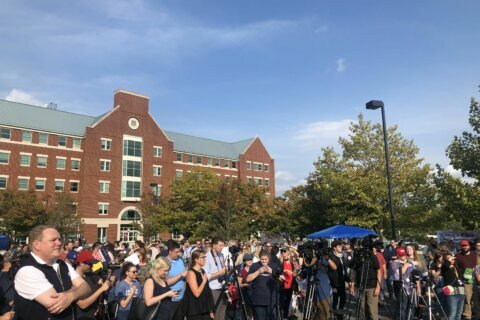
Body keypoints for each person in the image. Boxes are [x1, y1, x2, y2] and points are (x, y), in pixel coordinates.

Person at [14, 225, 90, 320]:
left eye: (59, 239)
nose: (59, 243)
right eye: (53, 240)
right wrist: (76, 289)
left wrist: (71, 295)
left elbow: (86, 288)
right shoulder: (27, 270)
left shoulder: (62, 264)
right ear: (36, 245)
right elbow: (56, 304)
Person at [246, 250, 283, 320]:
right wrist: (258, 271)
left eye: (266, 259)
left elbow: (282, 278)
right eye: (262, 259)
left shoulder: (274, 265)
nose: (264, 261)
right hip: (258, 299)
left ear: (269, 258)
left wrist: (271, 271)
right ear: (259, 258)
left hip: (272, 299)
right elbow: (248, 279)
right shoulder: (254, 266)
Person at [74, 250, 111, 320]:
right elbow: (82, 305)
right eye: (90, 264)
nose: (92, 266)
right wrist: (101, 289)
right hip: (81, 317)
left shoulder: (89, 274)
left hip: (93, 315)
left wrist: (109, 272)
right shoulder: (73, 280)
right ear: (81, 263)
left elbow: (104, 283)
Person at [349, 245, 381, 320]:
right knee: (361, 309)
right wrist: (352, 285)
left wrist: (378, 287)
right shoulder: (357, 257)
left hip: (372, 287)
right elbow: (354, 271)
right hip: (360, 287)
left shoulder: (372, 256)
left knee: (372, 311)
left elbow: (378, 271)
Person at [184, 250, 214, 320]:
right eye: (202, 257)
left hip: (205, 309)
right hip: (195, 310)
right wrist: (204, 281)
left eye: (205, 257)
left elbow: (207, 291)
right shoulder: (191, 273)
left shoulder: (203, 271)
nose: (205, 259)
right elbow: (196, 293)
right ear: (196, 260)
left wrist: (210, 310)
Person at [203, 238, 227, 320]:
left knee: (223, 311)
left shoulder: (221, 255)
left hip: (222, 287)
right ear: (213, 245)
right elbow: (206, 276)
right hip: (213, 289)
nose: (222, 247)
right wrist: (220, 273)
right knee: (216, 312)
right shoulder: (207, 257)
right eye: (220, 245)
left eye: (223, 245)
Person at [390, 246, 416, 320]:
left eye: (404, 254)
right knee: (402, 306)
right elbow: (397, 275)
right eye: (401, 255)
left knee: (411, 306)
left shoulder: (410, 262)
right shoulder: (395, 263)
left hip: (411, 287)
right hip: (400, 287)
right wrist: (405, 266)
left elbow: (415, 274)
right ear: (398, 255)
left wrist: (418, 287)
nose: (404, 256)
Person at [455, 239, 478, 320]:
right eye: (462, 246)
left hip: (477, 279)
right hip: (466, 280)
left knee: (476, 298)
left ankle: (476, 313)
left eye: (466, 245)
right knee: (467, 298)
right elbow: (455, 268)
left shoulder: (475, 254)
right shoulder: (458, 256)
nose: (464, 247)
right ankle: (467, 315)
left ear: (469, 246)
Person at [165, 240, 188, 320]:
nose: (178, 254)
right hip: (170, 300)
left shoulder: (180, 260)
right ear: (170, 251)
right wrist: (180, 275)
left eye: (179, 251)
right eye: (176, 252)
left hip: (181, 298)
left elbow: (185, 276)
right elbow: (166, 282)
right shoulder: (164, 263)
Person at [328, 240, 350, 318]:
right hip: (335, 282)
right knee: (335, 301)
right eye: (339, 246)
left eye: (341, 246)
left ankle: (340, 315)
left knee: (343, 300)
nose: (341, 247)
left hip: (342, 281)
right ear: (334, 248)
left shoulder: (342, 256)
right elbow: (330, 273)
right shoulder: (331, 257)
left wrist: (349, 280)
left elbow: (344, 270)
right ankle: (333, 315)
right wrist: (333, 286)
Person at [442, 253, 465, 320]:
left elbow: (463, 278)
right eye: (450, 258)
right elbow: (446, 265)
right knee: (452, 314)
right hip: (452, 294)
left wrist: (468, 276)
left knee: (458, 314)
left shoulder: (457, 268)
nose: (452, 260)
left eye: (453, 259)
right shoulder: (444, 268)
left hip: (461, 292)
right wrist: (449, 259)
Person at [279, 248, 295, 319]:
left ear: (289, 255)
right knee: (282, 302)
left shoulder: (292, 264)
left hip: (290, 285)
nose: (285, 256)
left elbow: (294, 274)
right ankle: (281, 316)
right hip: (283, 285)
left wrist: (292, 273)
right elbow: (279, 272)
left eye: (286, 254)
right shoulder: (281, 263)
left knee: (288, 302)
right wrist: (284, 271)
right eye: (283, 254)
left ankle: (285, 316)